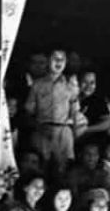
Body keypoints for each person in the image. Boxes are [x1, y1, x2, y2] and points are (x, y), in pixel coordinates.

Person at [24, 49, 78, 177]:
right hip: (43, 130)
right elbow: (28, 112)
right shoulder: (37, 85)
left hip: (63, 131)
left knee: (63, 170)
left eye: (62, 59)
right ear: (48, 61)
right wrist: (39, 127)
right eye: (55, 58)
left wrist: (72, 133)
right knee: (42, 168)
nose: (58, 62)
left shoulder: (71, 85)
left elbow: (75, 112)